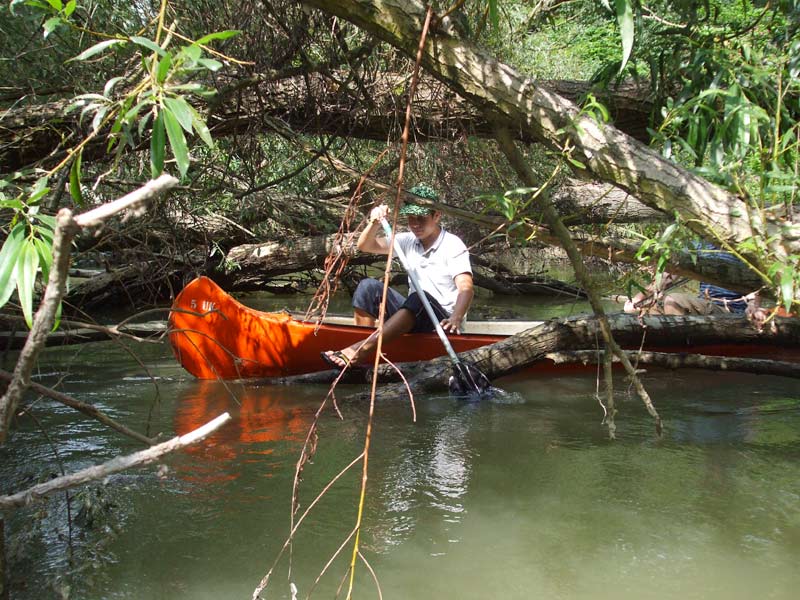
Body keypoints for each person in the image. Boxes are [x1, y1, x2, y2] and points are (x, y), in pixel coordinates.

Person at [321, 184, 474, 370]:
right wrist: (374, 222)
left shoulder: (452, 245)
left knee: (419, 298)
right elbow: (365, 246)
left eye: (421, 218)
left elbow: (466, 287)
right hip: (415, 312)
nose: (415, 224)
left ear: (436, 216)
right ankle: (366, 351)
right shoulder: (408, 240)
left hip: (443, 322)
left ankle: (359, 350)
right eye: (411, 218)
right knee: (368, 287)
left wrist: (456, 318)